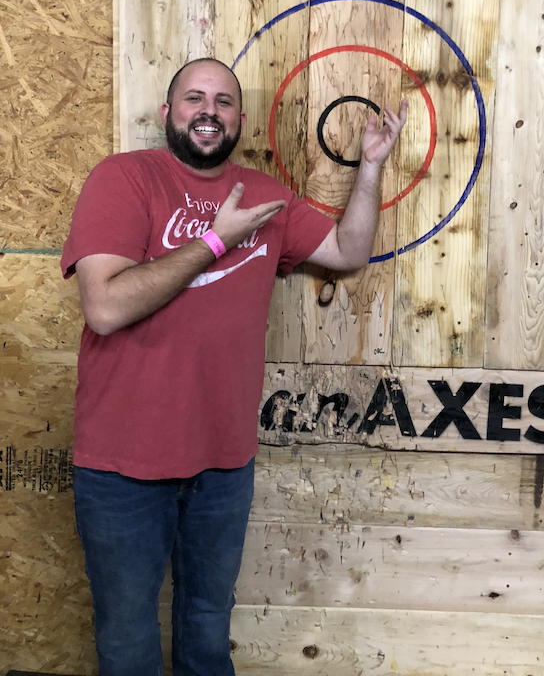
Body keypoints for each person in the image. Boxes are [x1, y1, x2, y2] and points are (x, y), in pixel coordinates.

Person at [61, 57, 408, 676]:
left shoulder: (267, 198)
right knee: (127, 636)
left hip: (223, 464)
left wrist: (372, 168)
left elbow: (349, 251)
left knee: (207, 627)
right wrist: (216, 241)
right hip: (122, 463)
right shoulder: (124, 178)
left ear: (240, 120)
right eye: (194, 98)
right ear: (168, 114)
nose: (208, 112)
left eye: (223, 102)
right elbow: (106, 307)